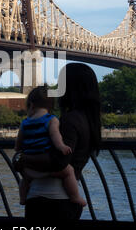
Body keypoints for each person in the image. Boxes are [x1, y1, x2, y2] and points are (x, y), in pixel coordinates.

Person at [14, 63, 101, 220]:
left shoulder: (69, 120)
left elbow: (58, 161)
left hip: (49, 200)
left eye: (61, 84)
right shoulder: (88, 120)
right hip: (65, 198)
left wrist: (22, 159)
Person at [14, 85, 87, 207]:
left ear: (31, 104)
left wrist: (20, 151)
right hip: (45, 163)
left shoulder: (25, 122)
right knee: (69, 171)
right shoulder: (51, 119)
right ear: (51, 105)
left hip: (29, 167)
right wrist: (62, 147)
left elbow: (18, 144)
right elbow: (55, 136)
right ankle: (75, 197)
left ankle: (22, 198)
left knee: (24, 180)